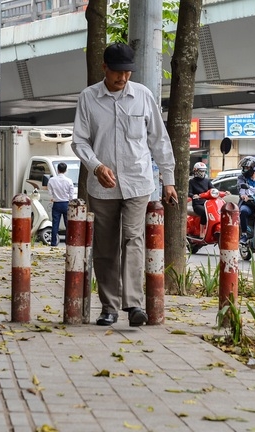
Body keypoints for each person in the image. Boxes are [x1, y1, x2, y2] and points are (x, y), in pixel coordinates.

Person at [72, 42, 178, 328]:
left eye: (127, 72)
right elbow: (79, 140)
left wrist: (168, 180)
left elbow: (159, 139)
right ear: (105, 68)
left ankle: (133, 304)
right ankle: (109, 307)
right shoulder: (88, 98)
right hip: (103, 186)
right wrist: (96, 166)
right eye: (117, 72)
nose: (123, 78)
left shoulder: (143, 96)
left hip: (138, 182)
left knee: (133, 239)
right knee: (105, 247)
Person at [46, 162, 74, 247]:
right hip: (66, 203)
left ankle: (53, 242)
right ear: (65, 170)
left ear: (57, 170)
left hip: (56, 204)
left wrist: (53, 197)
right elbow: (71, 194)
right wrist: (70, 200)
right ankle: (68, 241)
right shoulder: (69, 181)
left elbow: (50, 192)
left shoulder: (52, 180)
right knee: (67, 224)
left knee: (55, 224)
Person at [188, 162, 214, 227]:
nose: (202, 173)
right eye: (201, 171)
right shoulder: (191, 181)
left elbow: (213, 190)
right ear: (195, 171)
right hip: (197, 204)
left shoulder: (207, 181)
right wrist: (193, 196)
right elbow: (189, 192)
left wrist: (224, 193)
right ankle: (202, 231)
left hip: (207, 203)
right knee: (205, 212)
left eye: (203, 171)